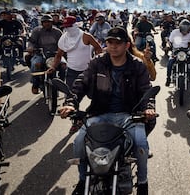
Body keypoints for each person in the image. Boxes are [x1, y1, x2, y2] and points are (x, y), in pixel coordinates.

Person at [59, 26, 155, 195]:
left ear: (126, 45)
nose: (113, 46)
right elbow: (81, 83)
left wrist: (148, 108)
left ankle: (142, 183)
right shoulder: (98, 62)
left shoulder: (137, 66)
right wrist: (70, 103)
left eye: (117, 43)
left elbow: (146, 89)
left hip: (129, 117)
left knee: (141, 144)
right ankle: (83, 180)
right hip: (99, 114)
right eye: (110, 42)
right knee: (79, 143)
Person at [48, 16, 102, 133]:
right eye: (65, 27)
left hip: (88, 72)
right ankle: (76, 122)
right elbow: (58, 55)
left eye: (69, 26)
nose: (68, 29)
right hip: (72, 72)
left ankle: (93, 119)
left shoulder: (86, 36)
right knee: (72, 98)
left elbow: (98, 48)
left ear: (75, 25)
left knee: (96, 97)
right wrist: (53, 67)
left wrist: (98, 63)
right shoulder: (63, 39)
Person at [27, 14, 63, 94]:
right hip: (40, 53)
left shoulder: (57, 32)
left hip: (55, 55)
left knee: (64, 65)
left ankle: (62, 83)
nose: (47, 24)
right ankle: (35, 84)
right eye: (45, 22)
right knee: (36, 64)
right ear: (42, 23)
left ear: (52, 22)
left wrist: (64, 50)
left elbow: (62, 43)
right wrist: (30, 47)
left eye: (49, 22)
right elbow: (31, 41)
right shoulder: (37, 31)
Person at [165, 19, 190, 87]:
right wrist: (168, 46)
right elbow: (169, 41)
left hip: (186, 51)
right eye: (184, 29)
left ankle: (189, 76)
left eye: (187, 29)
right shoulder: (174, 32)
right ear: (180, 28)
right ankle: (168, 78)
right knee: (170, 63)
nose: (185, 31)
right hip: (176, 50)